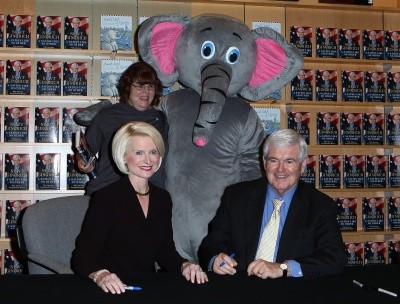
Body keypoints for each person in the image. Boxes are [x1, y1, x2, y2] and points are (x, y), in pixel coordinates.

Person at [72, 121, 208, 294]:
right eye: (138, 153)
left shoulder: (162, 198)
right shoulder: (106, 198)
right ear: (123, 156)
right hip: (112, 287)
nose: (148, 160)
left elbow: (165, 251)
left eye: (153, 152)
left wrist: (185, 265)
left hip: (146, 285)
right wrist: (101, 275)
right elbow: (82, 256)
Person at [198, 129, 346, 279]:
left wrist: (283, 268)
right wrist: (215, 260)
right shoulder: (236, 196)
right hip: (240, 288)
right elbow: (210, 244)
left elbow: (335, 258)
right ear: (264, 162)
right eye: (273, 160)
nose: (280, 170)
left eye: (289, 161)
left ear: (303, 165)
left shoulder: (321, 206)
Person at [76, 61, 168, 196]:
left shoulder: (163, 119)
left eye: (151, 86)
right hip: (109, 193)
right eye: (140, 86)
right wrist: (81, 161)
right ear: (128, 87)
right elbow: (86, 149)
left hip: (151, 195)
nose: (146, 91)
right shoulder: (108, 115)